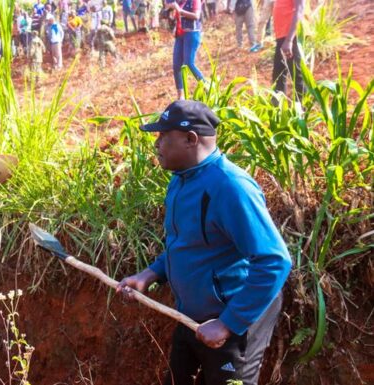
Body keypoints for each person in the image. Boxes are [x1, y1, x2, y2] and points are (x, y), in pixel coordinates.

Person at [117, 100, 291, 385]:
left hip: (232, 320)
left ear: (190, 139)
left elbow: (274, 261)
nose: (157, 144)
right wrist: (148, 275)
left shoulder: (230, 187)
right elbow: (187, 244)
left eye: (164, 136)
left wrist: (227, 323)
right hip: (192, 317)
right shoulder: (180, 181)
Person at [167, 0, 205, 100]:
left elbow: (196, 16)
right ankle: (181, 95)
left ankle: (205, 86)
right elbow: (174, 19)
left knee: (189, 63)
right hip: (180, 35)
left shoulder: (194, 1)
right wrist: (170, 12)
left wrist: (179, 10)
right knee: (176, 66)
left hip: (192, 33)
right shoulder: (179, 2)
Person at [272, 0, 304, 100]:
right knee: (278, 77)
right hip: (282, 37)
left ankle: (303, 110)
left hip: (291, 37)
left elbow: (299, 9)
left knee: (297, 76)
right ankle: (279, 110)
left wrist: (289, 40)